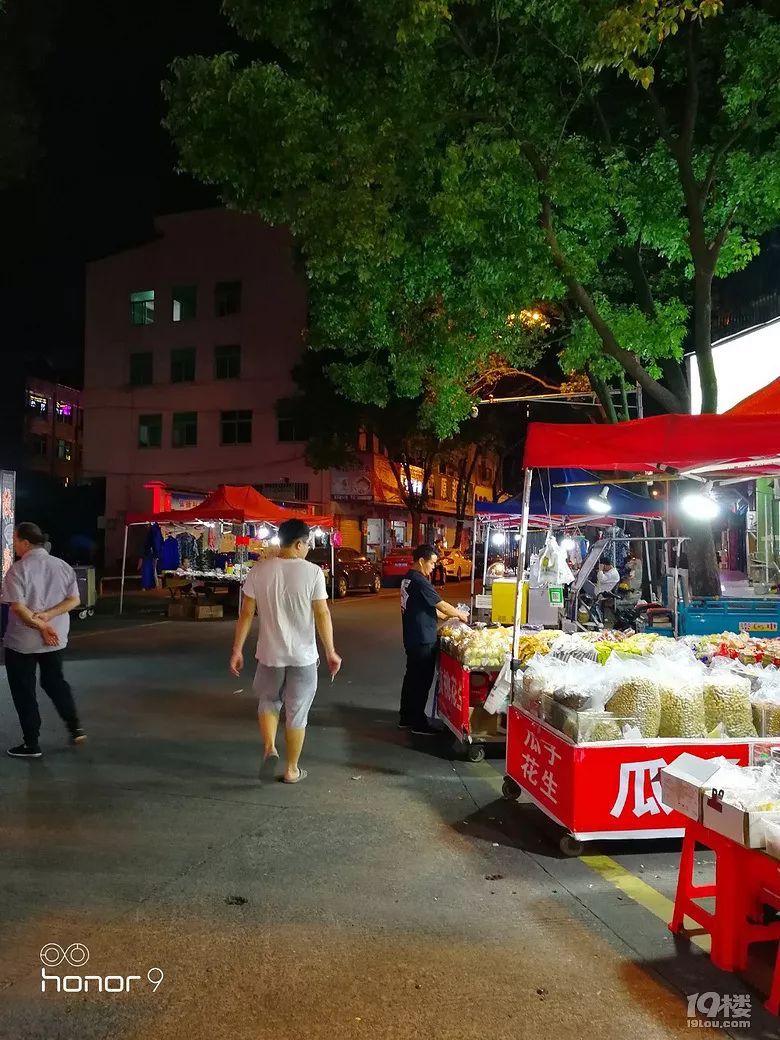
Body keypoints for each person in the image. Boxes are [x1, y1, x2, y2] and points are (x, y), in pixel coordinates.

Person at [230, 518, 341, 784]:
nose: (308, 549)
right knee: (297, 710)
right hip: (303, 656)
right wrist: (330, 651)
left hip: (270, 654)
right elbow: (322, 612)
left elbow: (246, 613)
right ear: (300, 543)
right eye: (308, 544)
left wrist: (237, 650)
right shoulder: (313, 572)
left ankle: (270, 748)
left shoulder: (259, 570)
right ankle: (291, 769)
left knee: (269, 701)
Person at [1, 522, 85, 758]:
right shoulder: (62, 566)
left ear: (26, 542)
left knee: (24, 691)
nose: (14, 545)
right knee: (55, 682)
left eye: (15, 540)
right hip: (54, 640)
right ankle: (75, 727)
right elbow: (74, 600)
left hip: (23, 643)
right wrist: (49, 619)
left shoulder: (18, 570)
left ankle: (31, 743)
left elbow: (18, 608)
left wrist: (41, 623)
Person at [399, 544, 469, 735]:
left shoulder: (408, 579)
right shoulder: (420, 581)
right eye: (431, 563)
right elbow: (442, 605)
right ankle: (418, 722)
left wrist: (446, 617)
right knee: (421, 681)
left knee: (411, 678)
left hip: (412, 636)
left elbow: (426, 607)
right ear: (421, 561)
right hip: (422, 638)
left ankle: (406, 716)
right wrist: (460, 615)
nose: (433, 567)